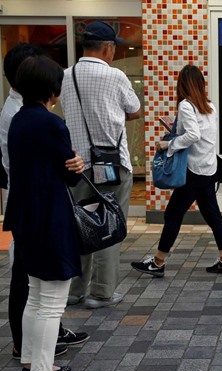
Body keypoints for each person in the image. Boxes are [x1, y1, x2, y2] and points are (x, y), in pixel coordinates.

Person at [0, 44, 90, 370]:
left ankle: (30, 364)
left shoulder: (18, 119)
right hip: (50, 220)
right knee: (51, 304)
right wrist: (76, 164)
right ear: (52, 90)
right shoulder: (51, 124)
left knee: (35, 297)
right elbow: (68, 173)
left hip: (24, 220)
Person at [60, 21, 141, 309]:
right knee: (109, 227)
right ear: (107, 48)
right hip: (112, 164)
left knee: (81, 226)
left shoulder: (66, 76)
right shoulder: (116, 76)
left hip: (77, 166)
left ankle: (75, 291)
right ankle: (102, 293)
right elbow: (134, 111)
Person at [130, 65, 222, 277]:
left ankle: (158, 263)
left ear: (183, 84)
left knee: (173, 214)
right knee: (212, 214)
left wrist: (167, 144)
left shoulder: (186, 106)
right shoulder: (209, 106)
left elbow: (193, 135)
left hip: (193, 171)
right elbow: (200, 134)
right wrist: (176, 131)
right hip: (208, 168)